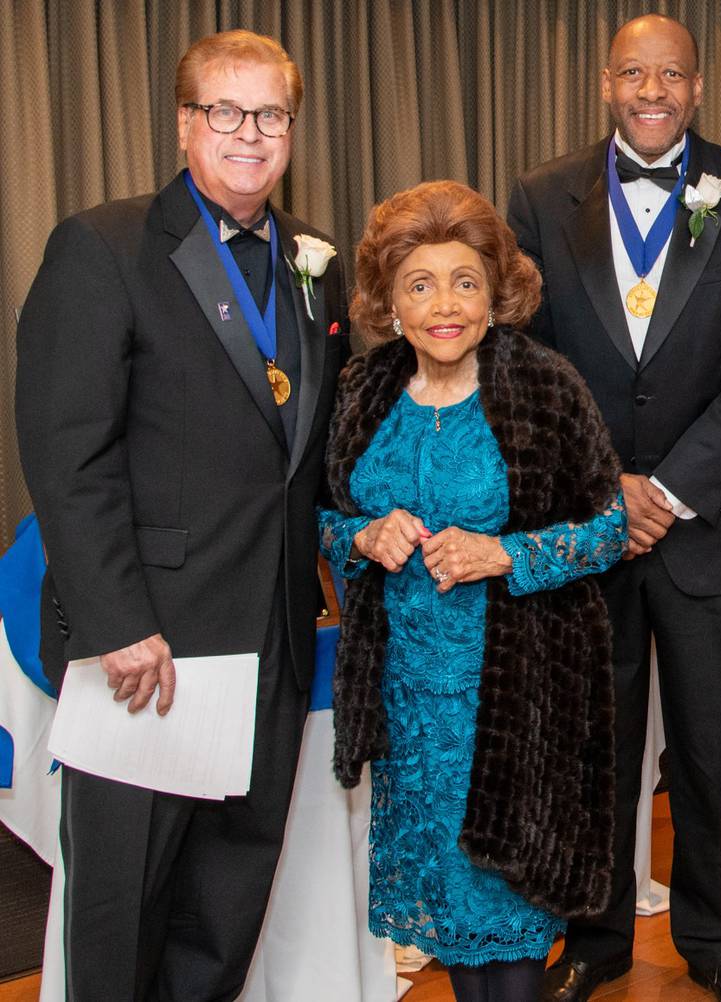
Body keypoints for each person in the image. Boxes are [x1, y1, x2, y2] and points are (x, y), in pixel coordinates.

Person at [14, 30, 348, 1001]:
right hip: (151, 653)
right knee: (123, 917)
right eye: (226, 111)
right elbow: (65, 453)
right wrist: (118, 626)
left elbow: (307, 456)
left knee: (225, 914)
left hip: (274, 647)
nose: (251, 134)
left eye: (271, 114)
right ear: (185, 123)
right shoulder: (104, 245)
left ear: (292, 127)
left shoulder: (312, 263)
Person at [507, 14, 721, 1002]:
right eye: (634, 71)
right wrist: (605, 488)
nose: (652, 89)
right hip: (588, 527)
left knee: (713, 752)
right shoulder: (542, 197)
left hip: (709, 527)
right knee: (592, 747)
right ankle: (594, 939)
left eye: (670, 73)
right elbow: (526, 366)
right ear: (605, 81)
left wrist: (668, 490)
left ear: (699, 86)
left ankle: (715, 938)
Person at [318, 179, 627, 1002]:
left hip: (515, 704)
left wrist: (506, 555)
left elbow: (606, 526)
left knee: (509, 916)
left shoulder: (545, 387)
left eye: (464, 281)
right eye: (420, 284)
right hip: (409, 711)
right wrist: (358, 535)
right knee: (456, 926)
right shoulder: (363, 390)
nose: (444, 304)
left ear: (496, 293)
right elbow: (324, 514)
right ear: (391, 302)